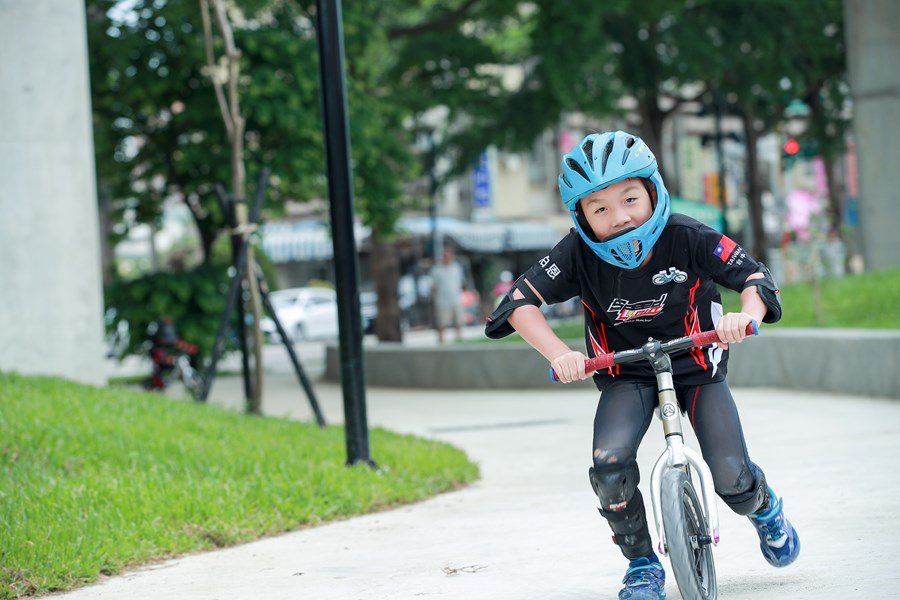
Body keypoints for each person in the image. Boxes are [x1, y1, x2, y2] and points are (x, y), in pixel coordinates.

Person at [485, 131, 799, 599]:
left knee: (732, 475)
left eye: (630, 198)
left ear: (653, 191)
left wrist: (745, 316)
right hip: (625, 371)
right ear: (581, 217)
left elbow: (752, 276)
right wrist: (561, 354)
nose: (620, 217)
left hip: (695, 363)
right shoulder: (575, 253)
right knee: (608, 465)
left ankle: (763, 505)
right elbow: (518, 303)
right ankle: (642, 565)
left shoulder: (688, 235)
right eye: (600, 209)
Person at [146, 315, 197, 391]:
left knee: (176, 362)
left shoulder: (170, 329)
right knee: (159, 370)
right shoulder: (159, 329)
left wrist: (188, 348)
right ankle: (158, 384)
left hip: (163, 352)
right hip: (158, 354)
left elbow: (176, 341)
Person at [430, 245, 465, 343]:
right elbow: (433, 287)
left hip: (456, 298)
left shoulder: (456, 268)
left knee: (458, 321)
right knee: (442, 322)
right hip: (442, 300)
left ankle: (459, 338)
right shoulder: (437, 270)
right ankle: (441, 339)